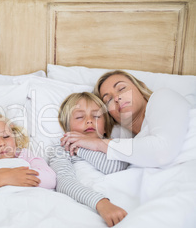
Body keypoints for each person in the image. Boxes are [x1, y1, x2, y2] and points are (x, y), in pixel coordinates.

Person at [61, 70, 191, 168]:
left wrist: (97, 144)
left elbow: (162, 151)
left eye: (122, 89)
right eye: (109, 99)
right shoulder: (135, 144)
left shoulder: (163, 96)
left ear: (140, 87)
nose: (117, 98)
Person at [49, 92, 129, 227]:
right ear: (67, 128)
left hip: (122, 200)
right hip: (90, 205)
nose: (89, 120)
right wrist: (101, 203)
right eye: (80, 117)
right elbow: (64, 182)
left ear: (105, 126)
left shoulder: (114, 144)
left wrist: (81, 147)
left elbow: (116, 168)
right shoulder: (62, 148)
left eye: (97, 116)